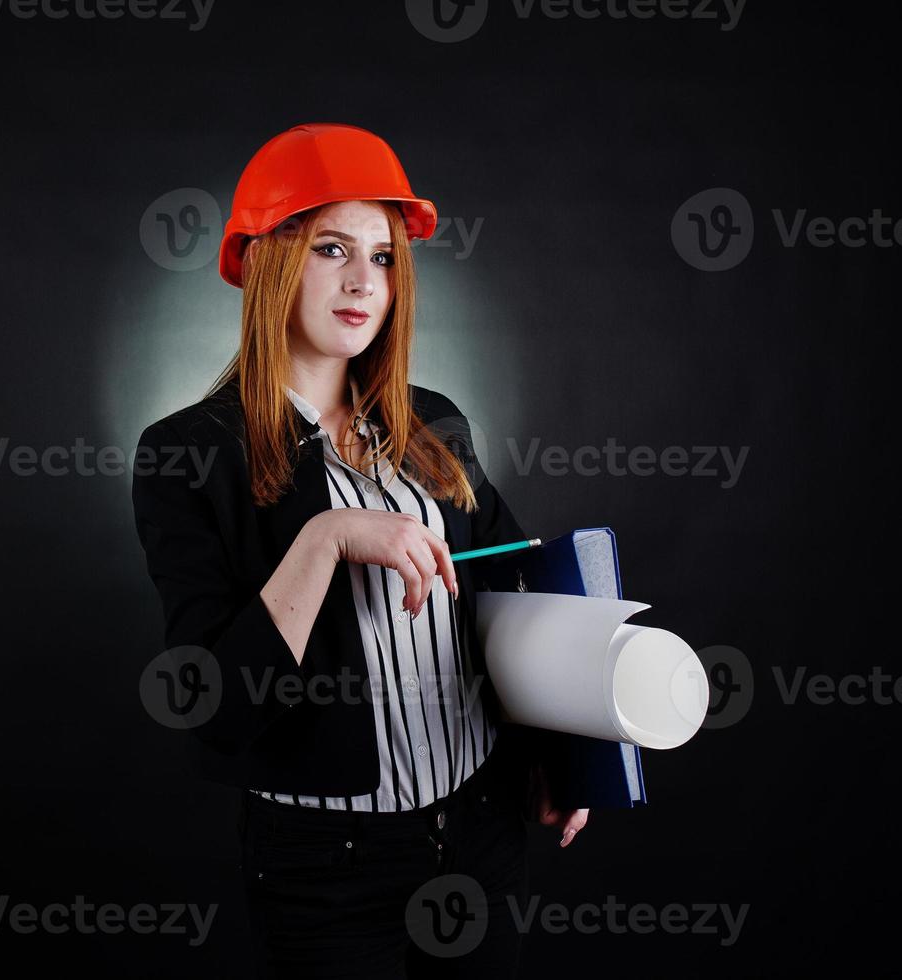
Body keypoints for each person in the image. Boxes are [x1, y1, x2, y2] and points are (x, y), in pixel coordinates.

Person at [131, 123, 587, 979]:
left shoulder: (433, 420)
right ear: (268, 261)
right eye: (331, 248)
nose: (360, 281)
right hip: (326, 869)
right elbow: (216, 704)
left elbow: (508, 594)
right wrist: (328, 537)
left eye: (381, 257)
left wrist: (556, 753)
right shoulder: (186, 453)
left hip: (477, 835)